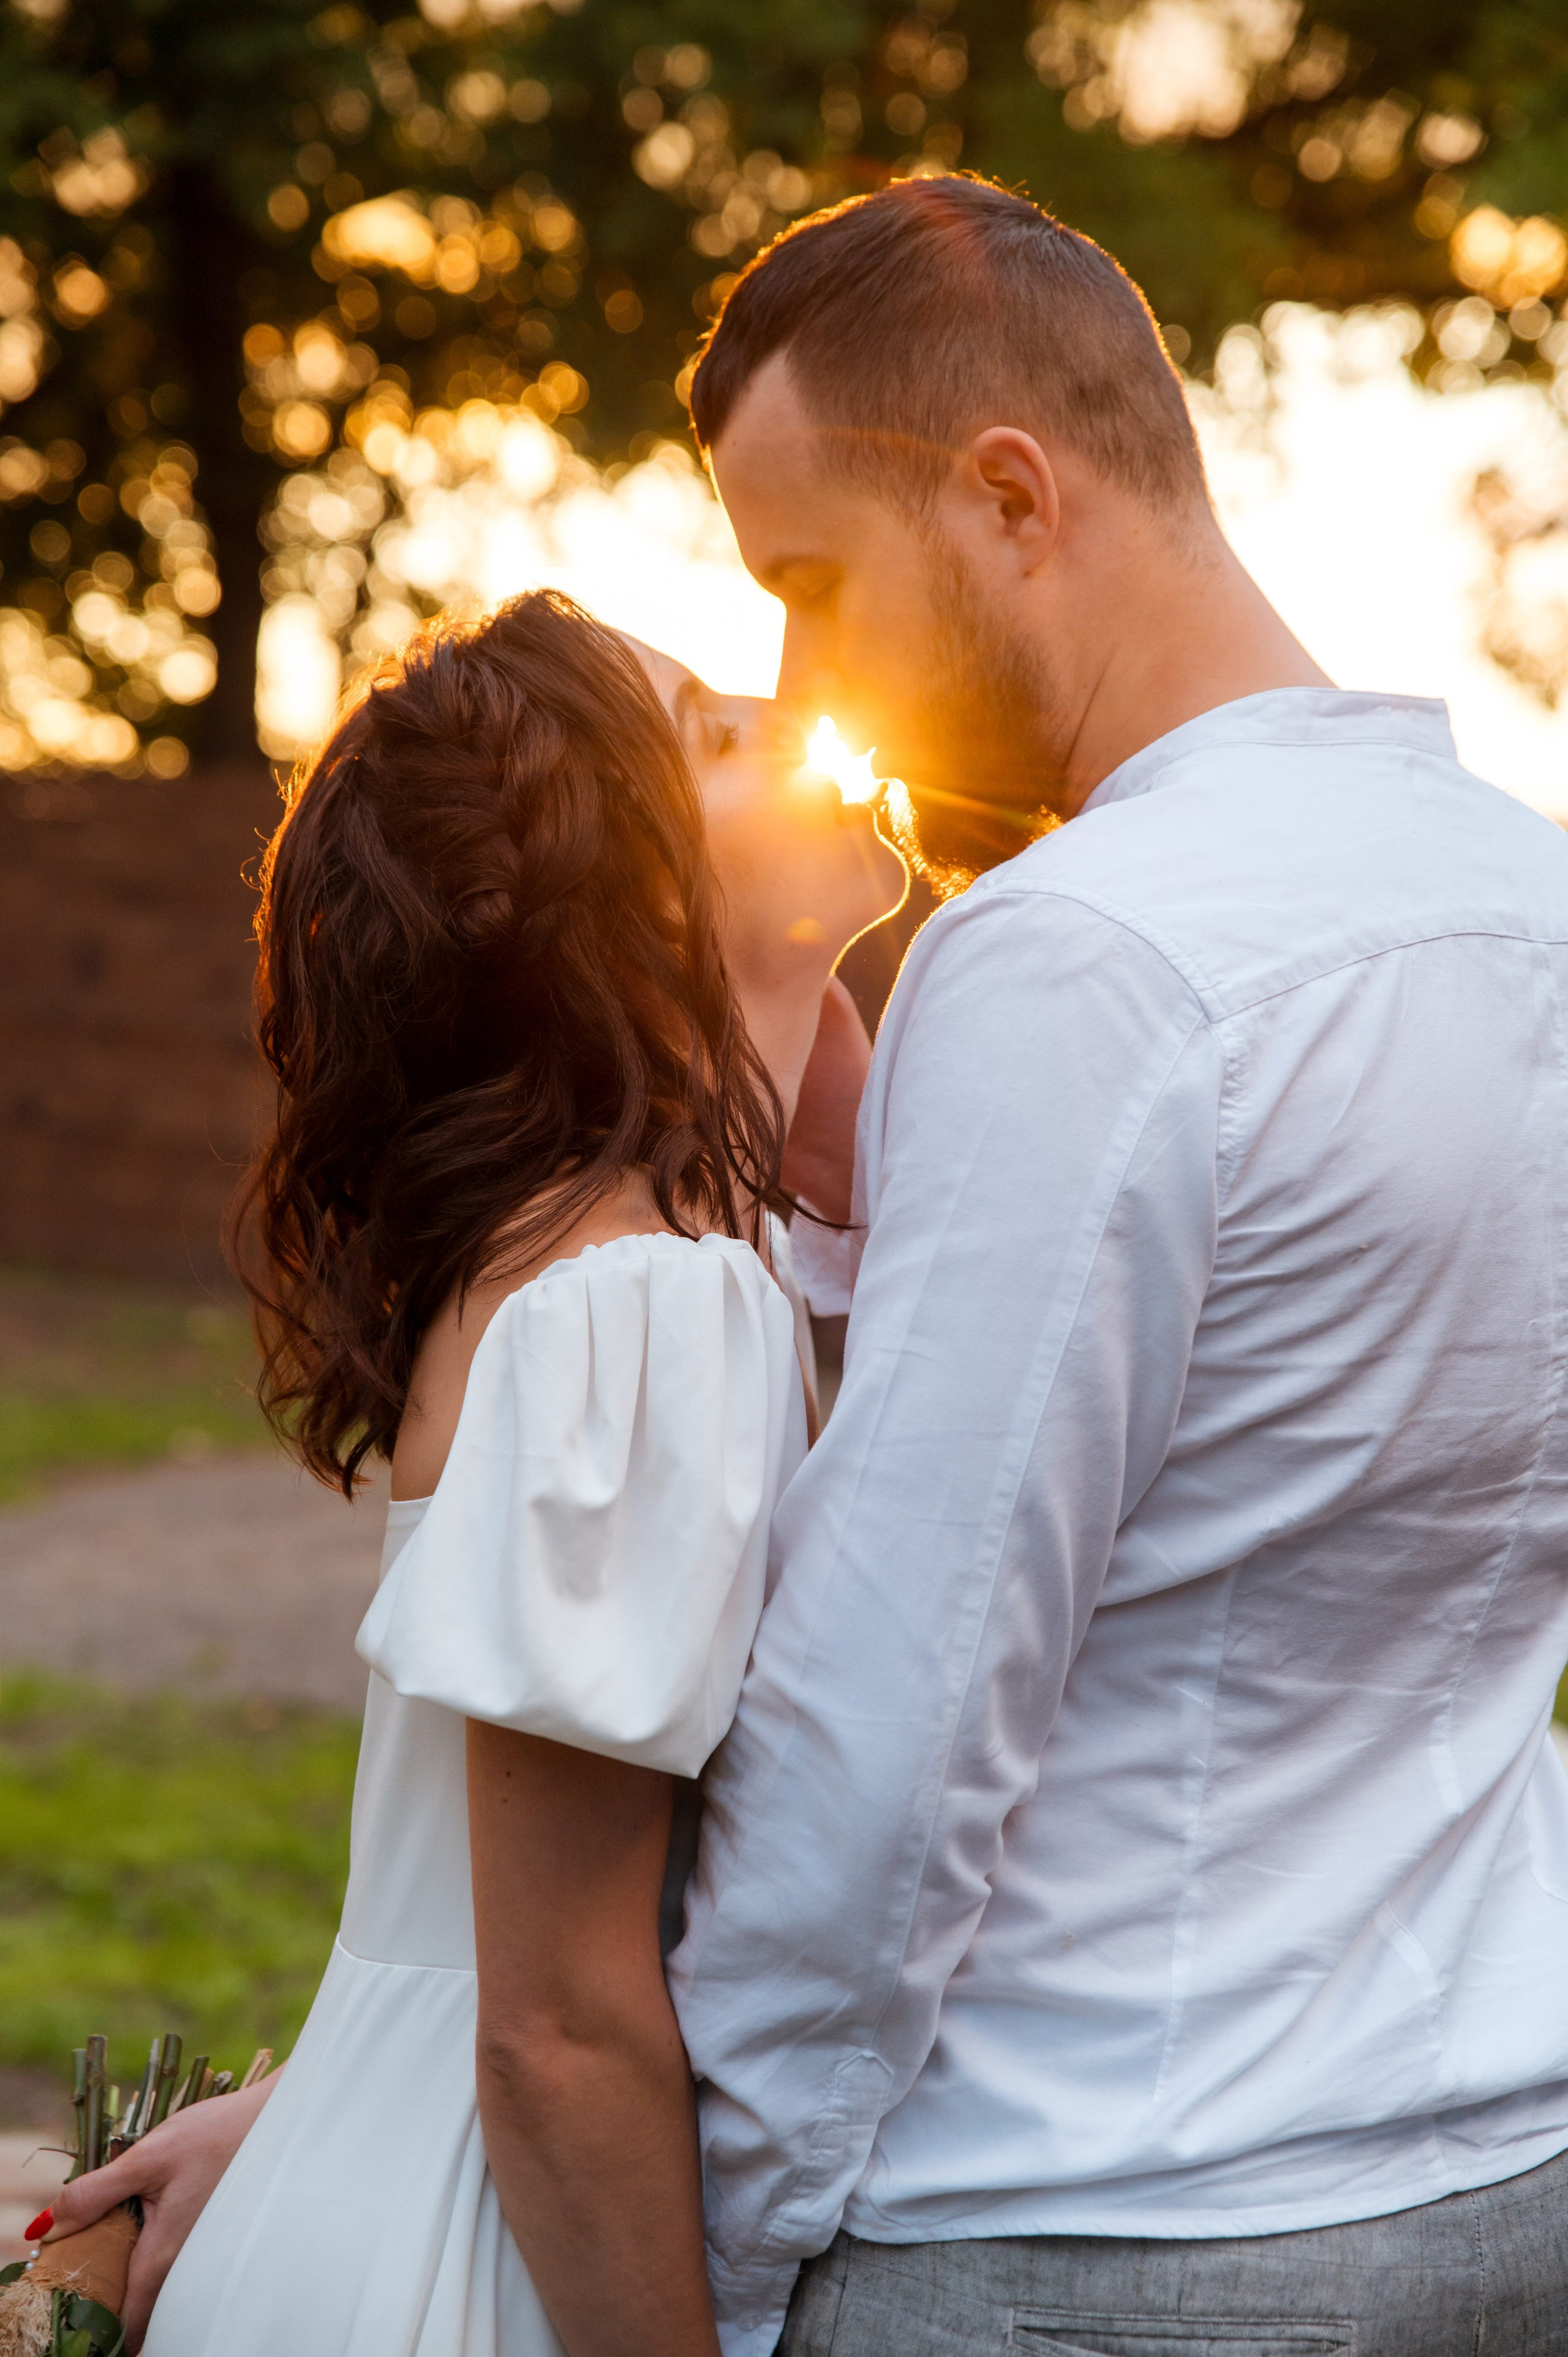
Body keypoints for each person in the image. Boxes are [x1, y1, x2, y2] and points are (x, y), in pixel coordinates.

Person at [662, 176, 1568, 2353]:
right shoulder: (1529, 909)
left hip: (1082, 2231)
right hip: (1500, 2179)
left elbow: (882, 1748)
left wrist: (699, 2252)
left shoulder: (1076, 956)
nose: (798, 678)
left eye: (810, 582)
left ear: (1007, 496)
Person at [46, 588, 902, 2355]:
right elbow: (556, 2021)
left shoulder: (587, 1262)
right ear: (622, 890)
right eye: (717, 731)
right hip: (482, 2263)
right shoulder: (644, 1300)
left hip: (396, 2168)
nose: (787, 704)